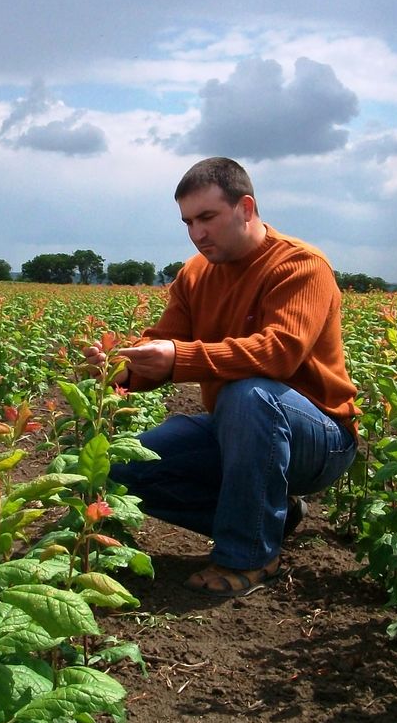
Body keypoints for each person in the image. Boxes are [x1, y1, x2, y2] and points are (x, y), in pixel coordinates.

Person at [85, 157, 359, 598]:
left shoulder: (301, 266)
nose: (197, 233)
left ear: (246, 208)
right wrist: (120, 367)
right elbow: (166, 341)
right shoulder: (195, 274)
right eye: (188, 222)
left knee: (249, 393)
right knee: (119, 468)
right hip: (238, 427)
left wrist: (177, 359)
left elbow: (279, 353)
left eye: (207, 217)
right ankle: (272, 519)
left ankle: (250, 555)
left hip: (320, 439)